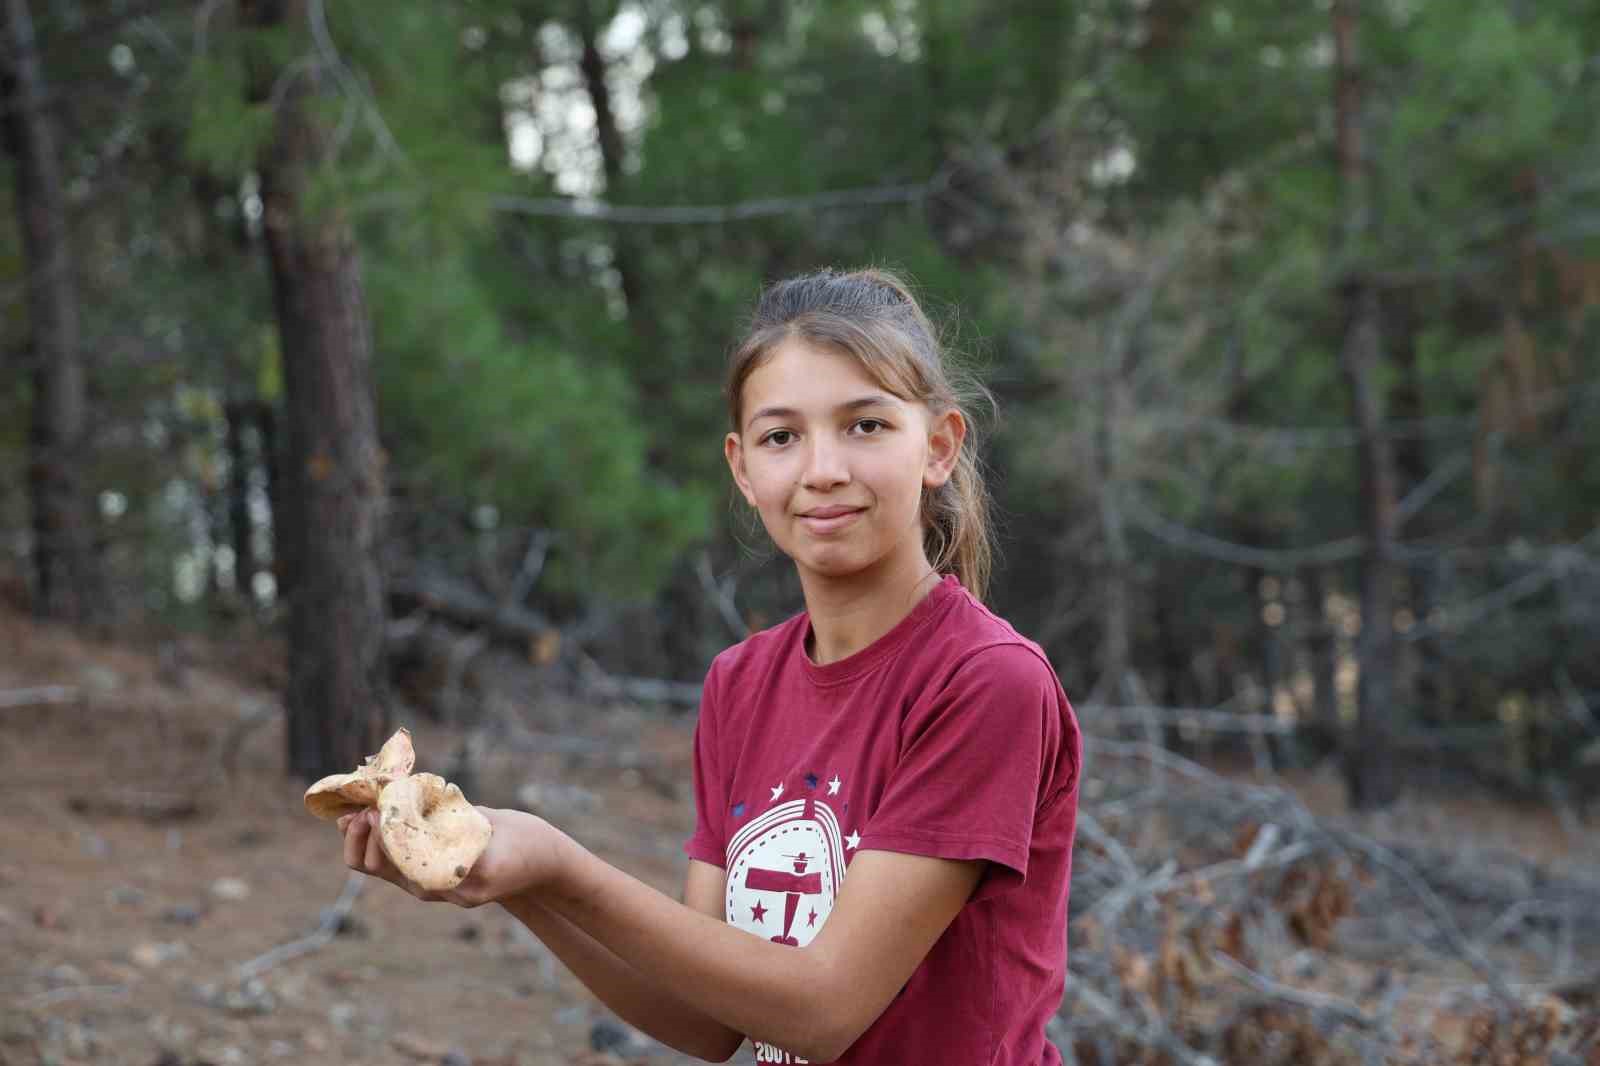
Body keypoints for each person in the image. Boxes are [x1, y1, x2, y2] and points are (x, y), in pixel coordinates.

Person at [337, 267, 1082, 1064]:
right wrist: (522, 881)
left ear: (938, 446)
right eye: (781, 436)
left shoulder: (984, 682)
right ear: (742, 468)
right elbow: (708, 1023)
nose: (822, 469)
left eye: (865, 426)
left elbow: (826, 1009)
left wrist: (561, 859)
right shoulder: (741, 683)